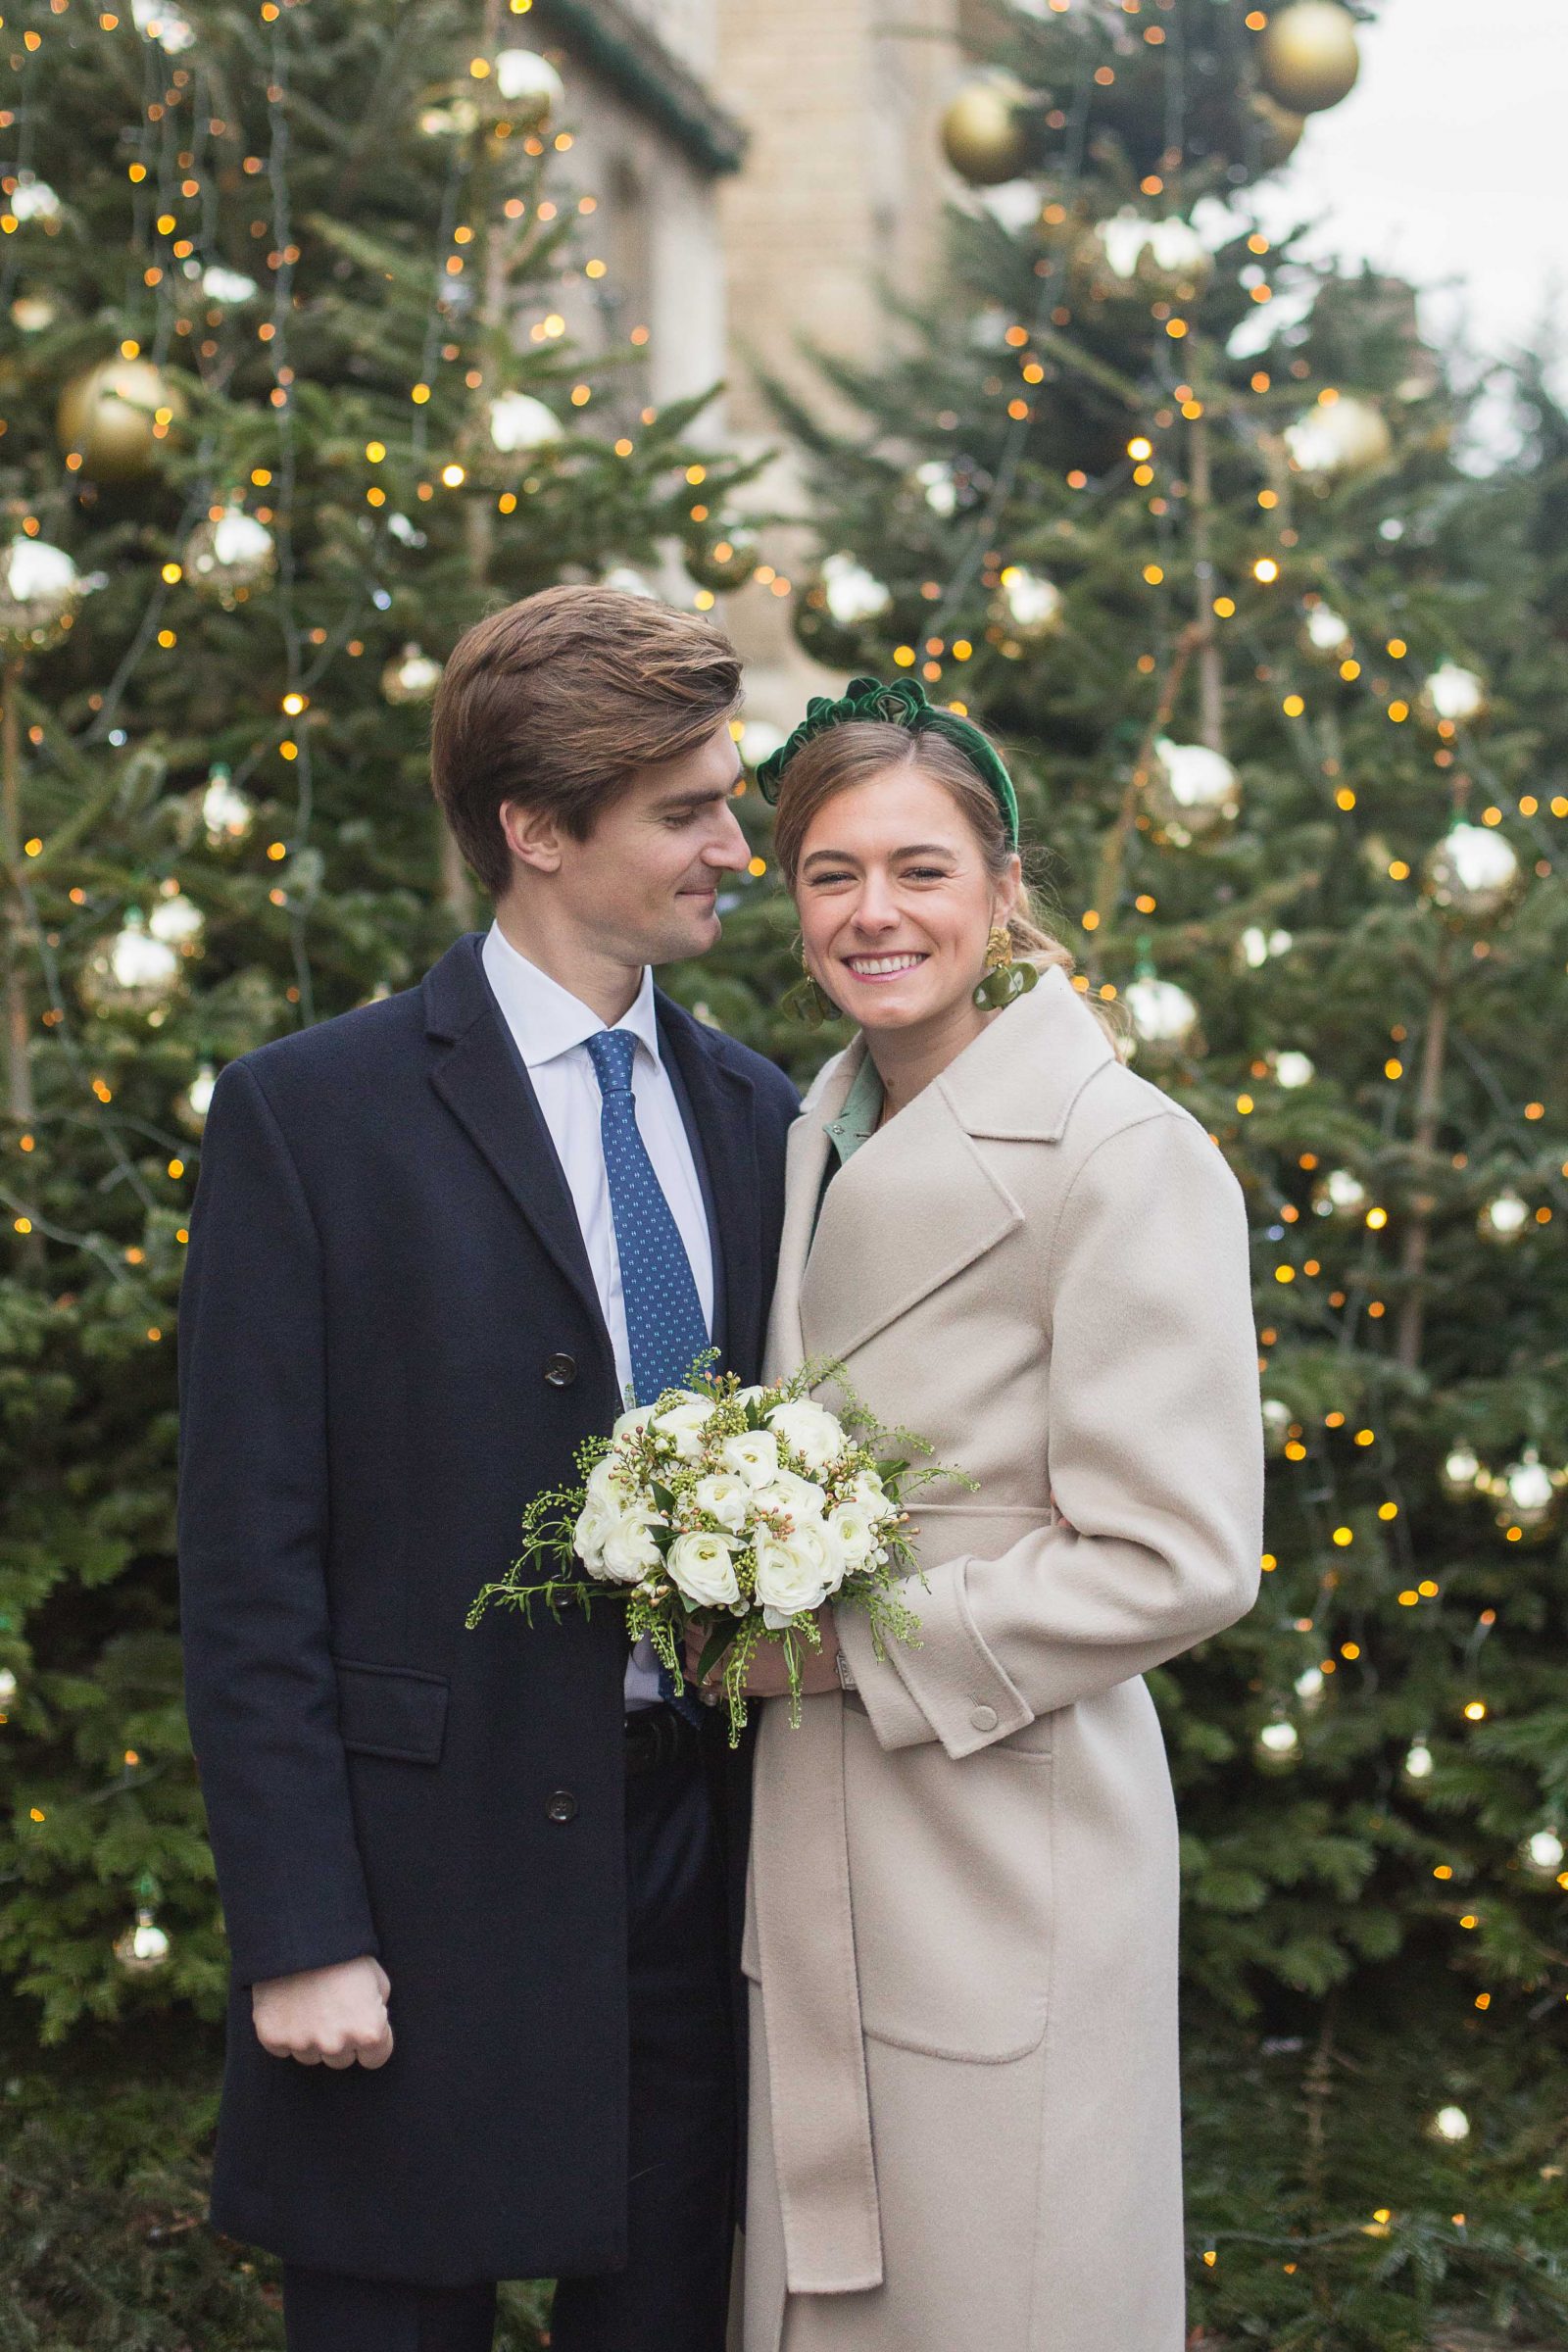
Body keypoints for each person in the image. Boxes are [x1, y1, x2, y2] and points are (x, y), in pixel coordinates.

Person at [177, 584, 799, 2352]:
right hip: (412, 1885)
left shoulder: (766, 1117)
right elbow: (248, 1562)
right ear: (536, 829)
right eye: (688, 812)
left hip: (695, 1870)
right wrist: (300, 1930)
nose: (736, 849)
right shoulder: (311, 1116)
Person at [719, 676, 1264, 2352]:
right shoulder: (809, 1127)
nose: (872, 913)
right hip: (812, 1833)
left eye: (920, 869)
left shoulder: (1121, 1151)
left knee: (999, 2291)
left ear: (1004, 885)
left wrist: (845, 1653)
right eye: (830, 873)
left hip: (1002, 1834)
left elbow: (1178, 1557)